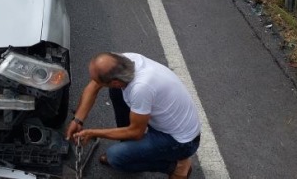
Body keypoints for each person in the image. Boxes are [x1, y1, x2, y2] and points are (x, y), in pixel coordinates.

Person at [66, 52, 201, 179]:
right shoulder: (124, 61)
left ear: (115, 82)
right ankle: (131, 149)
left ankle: (176, 167)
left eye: (98, 81)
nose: (93, 82)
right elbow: (93, 87)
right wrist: (77, 120)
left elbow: (136, 132)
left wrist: (92, 133)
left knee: (115, 157)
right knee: (117, 92)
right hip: (164, 121)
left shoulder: (141, 88)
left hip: (181, 141)